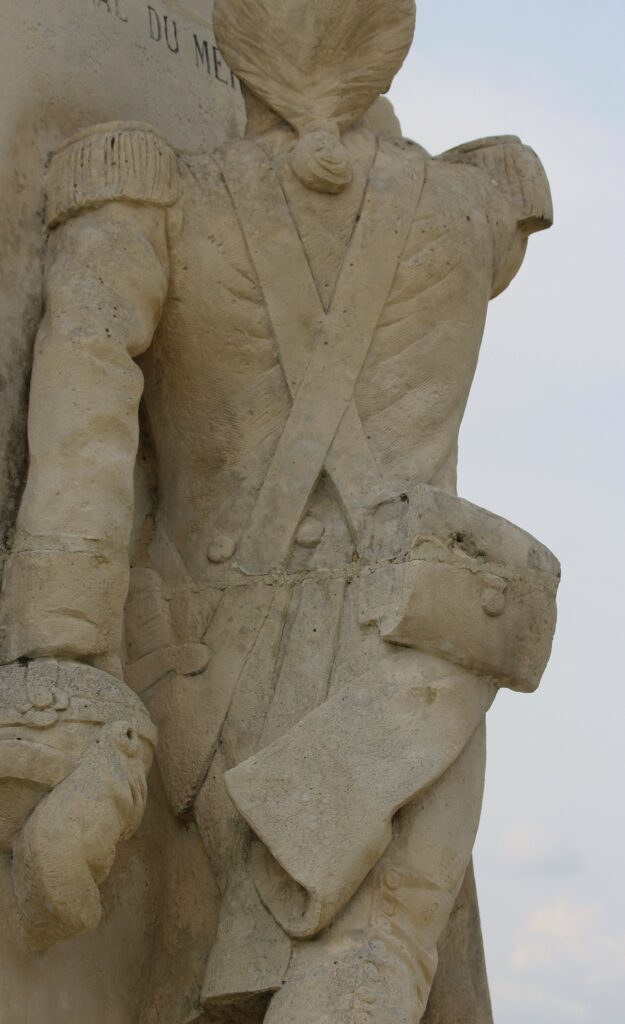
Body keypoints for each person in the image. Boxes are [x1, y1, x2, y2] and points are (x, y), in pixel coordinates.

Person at [0, 1, 559, 1020]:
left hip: (213, 695)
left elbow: (81, 449)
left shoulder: (151, 200)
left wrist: (62, 664)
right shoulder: (473, 207)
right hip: (418, 686)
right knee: (378, 967)